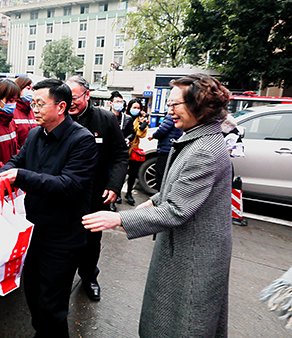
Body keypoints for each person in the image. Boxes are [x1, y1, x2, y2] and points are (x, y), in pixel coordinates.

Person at [83, 74, 233, 337]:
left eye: (175, 105)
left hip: (194, 254)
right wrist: (153, 200)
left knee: (185, 322)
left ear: (199, 106)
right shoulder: (196, 139)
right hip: (185, 246)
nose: (168, 110)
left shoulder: (204, 150)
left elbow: (177, 209)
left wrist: (118, 220)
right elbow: (179, 188)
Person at [0, 79, 97, 338]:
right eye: (32, 103)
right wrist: (3, 174)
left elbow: (69, 185)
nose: (34, 109)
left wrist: (20, 176)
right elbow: (17, 161)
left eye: (40, 104)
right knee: (34, 295)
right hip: (33, 231)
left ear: (61, 107)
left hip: (63, 236)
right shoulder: (36, 134)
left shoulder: (81, 140)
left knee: (52, 304)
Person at [65, 76, 129, 302]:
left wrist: (114, 185)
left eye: (74, 98)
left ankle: (89, 277)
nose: (70, 104)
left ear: (87, 95)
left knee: (91, 241)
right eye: (66, 98)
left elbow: (121, 155)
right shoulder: (59, 119)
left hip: (95, 194)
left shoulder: (106, 119)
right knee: (64, 238)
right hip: (65, 194)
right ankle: (62, 278)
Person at [109, 90, 133, 208]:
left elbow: (132, 133)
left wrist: (128, 139)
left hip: (121, 150)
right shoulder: (105, 116)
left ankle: (114, 197)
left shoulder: (127, 118)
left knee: (118, 173)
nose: (119, 103)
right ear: (111, 103)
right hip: (107, 151)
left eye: (121, 101)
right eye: (117, 101)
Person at [123, 98, 149, 206]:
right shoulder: (123, 118)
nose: (136, 109)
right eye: (134, 107)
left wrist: (143, 123)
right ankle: (116, 195)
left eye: (138, 108)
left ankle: (129, 193)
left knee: (133, 173)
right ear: (129, 108)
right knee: (120, 173)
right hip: (123, 148)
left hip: (134, 149)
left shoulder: (140, 120)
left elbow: (140, 134)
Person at [148, 113, 183, 191]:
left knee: (160, 173)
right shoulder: (181, 115)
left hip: (166, 148)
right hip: (173, 147)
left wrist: (153, 136)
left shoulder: (171, 116)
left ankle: (161, 195)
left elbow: (162, 130)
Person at [13, 76, 37, 147]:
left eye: (32, 89)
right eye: (28, 88)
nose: (31, 91)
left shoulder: (32, 111)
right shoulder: (12, 112)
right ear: (18, 90)